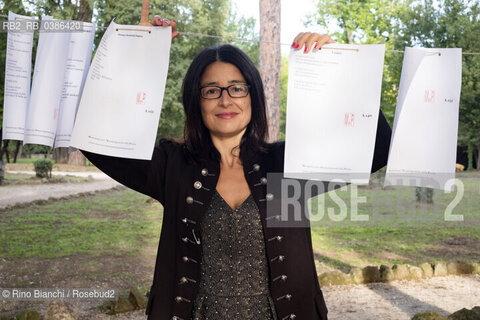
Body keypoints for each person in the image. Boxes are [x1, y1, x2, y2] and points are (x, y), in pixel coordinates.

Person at [81, 15, 392, 320]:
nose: (225, 100)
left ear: (252, 96)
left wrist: (340, 70)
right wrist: (132, 54)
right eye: (211, 90)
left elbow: (376, 150)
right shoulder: (172, 165)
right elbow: (94, 139)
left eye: (237, 88)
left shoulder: (288, 164)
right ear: (197, 101)